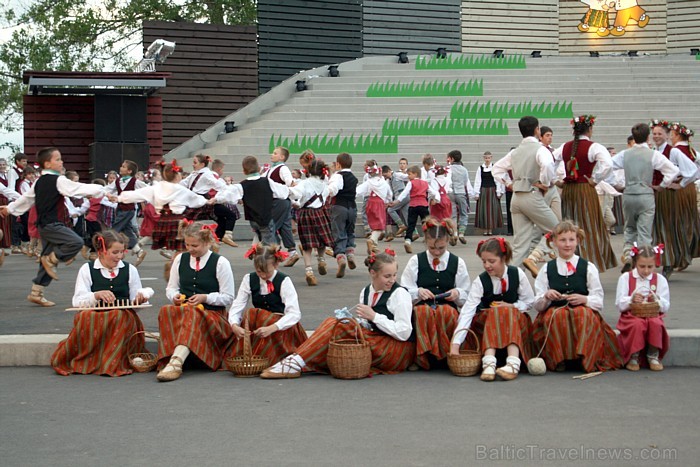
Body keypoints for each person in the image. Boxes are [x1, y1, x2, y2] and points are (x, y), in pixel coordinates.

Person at [260, 250, 415, 378]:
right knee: (336, 325)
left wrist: (375, 316)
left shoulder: (400, 294)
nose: (392, 280)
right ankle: (297, 362)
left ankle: (294, 363)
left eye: (394, 275)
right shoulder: (366, 291)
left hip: (395, 349)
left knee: (338, 328)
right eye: (387, 276)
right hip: (376, 340)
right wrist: (354, 320)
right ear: (373, 273)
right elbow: (368, 324)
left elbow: (404, 333)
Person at [0, 148, 105, 307]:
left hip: (44, 225)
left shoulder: (39, 181)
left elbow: (25, 200)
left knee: (46, 261)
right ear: (47, 163)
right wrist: (102, 190)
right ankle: (52, 259)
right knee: (75, 242)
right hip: (52, 224)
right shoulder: (59, 180)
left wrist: (10, 209)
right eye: (58, 159)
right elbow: (77, 189)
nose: (61, 162)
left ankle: (36, 292)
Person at [51, 230, 154, 376]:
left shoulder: (129, 269)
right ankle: (93, 359)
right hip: (95, 314)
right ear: (101, 251)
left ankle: (111, 361)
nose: (120, 256)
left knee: (118, 315)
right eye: (115, 252)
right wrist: (96, 295)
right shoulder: (87, 269)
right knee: (85, 317)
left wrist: (140, 299)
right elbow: (77, 301)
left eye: (122, 252)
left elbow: (134, 303)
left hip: (122, 316)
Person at [532, 221, 623, 373]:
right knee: (557, 316)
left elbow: (598, 300)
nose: (567, 244)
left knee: (582, 314)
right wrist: (547, 296)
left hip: (582, 308)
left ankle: (584, 357)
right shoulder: (547, 268)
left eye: (571, 240)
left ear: (578, 241)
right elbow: (537, 304)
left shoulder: (588, 267)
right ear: (553, 242)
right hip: (555, 309)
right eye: (562, 240)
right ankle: (559, 359)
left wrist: (585, 299)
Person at [158, 222, 235, 382]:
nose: (190, 249)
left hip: (213, 315)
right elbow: (171, 288)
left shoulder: (220, 263)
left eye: (195, 245)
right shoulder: (180, 259)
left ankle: (176, 362)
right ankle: (174, 356)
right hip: (186, 310)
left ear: (207, 243)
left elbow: (228, 296)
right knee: (166, 310)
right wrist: (175, 297)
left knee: (193, 314)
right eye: (187, 244)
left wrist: (205, 297)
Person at [451, 237, 534, 381]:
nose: (487, 265)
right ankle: (489, 361)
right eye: (484, 261)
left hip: (514, 322)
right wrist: (455, 343)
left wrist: (512, 306)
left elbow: (529, 302)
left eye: (491, 261)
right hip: (487, 324)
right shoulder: (480, 281)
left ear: (503, 258)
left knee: (505, 311)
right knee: (497, 312)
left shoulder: (517, 274)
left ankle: (512, 362)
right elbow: (468, 311)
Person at [112, 160, 207, 277]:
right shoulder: (181, 189)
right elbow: (197, 200)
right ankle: (174, 267)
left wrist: (119, 198)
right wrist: (210, 200)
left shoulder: (155, 188)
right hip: (178, 222)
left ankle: (174, 266)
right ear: (177, 176)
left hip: (163, 221)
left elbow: (136, 194)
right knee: (184, 248)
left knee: (183, 249)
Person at [400, 217, 471, 369]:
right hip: (422, 306)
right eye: (432, 248)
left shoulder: (457, 262)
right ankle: (423, 357)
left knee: (445, 312)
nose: (436, 252)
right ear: (426, 242)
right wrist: (418, 292)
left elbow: (466, 292)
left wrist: (457, 293)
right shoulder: (416, 261)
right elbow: (404, 290)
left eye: (441, 248)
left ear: (447, 242)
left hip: (447, 306)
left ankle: (445, 356)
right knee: (423, 313)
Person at [493, 116, 559, 272]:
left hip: (516, 197)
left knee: (520, 244)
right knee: (559, 231)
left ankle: (510, 281)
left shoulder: (515, 152)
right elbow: (548, 165)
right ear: (537, 130)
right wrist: (545, 182)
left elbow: (496, 169)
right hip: (532, 194)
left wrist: (509, 184)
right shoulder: (540, 149)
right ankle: (535, 255)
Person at [611, 123, 680, 271]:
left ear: (633, 137)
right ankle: (643, 260)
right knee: (644, 231)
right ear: (648, 137)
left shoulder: (625, 154)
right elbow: (673, 171)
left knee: (629, 228)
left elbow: (607, 167)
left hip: (629, 194)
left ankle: (629, 255)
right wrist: (662, 185)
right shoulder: (653, 154)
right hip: (646, 194)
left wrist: (617, 184)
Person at [553, 115, 617, 272]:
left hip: (568, 190)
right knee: (589, 225)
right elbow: (608, 164)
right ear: (590, 129)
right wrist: (595, 179)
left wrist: (555, 180)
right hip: (585, 189)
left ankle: (571, 263)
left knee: (571, 226)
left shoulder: (564, 147)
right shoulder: (594, 147)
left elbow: (549, 162)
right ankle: (590, 263)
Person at [226, 243, 307, 366]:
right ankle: (254, 355)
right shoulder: (249, 278)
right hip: (259, 325)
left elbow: (294, 313)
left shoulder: (284, 281)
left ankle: (271, 356)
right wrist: (234, 325)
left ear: (276, 265)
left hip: (280, 328)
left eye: (266, 272)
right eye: (259, 272)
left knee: (259, 315)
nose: (263, 275)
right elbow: (238, 304)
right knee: (251, 313)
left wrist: (272, 328)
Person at [650, 120, 699, 277]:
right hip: (656, 193)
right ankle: (666, 258)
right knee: (658, 226)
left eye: (660, 134)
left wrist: (681, 184)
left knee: (668, 226)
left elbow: (692, 171)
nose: (657, 136)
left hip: (669, 194)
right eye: (654, 134)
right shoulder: (653, 151)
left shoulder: (674, 152)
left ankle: (669, 261)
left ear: (668, 135)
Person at [615, 244, 669, 372]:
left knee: (655, 323)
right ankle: (634, 355)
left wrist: (656, 300)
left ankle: (653, 355)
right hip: (631, 315)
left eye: (650, 267)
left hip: (653, 314)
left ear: (655, 264)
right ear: (635, 264)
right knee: (637, 324)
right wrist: (631, 300)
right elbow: (619, 304)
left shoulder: (660, 279)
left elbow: (666, 305)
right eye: (642, 266)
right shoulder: (626, 278)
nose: (646, 271)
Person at [288, 158, 335, 286]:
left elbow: (296, 194)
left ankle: (309, 271)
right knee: (321, 239)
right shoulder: (324, 185)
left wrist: (289, 194)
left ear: (308, 170)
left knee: (307, 244)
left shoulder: (304, 183)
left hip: (305, 214)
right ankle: (321, 259)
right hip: (320, 213)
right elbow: (325, 198)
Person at [213, 156, 276, 245]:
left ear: (244, 171)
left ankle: (257, 251)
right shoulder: (267, 181)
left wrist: (215, 199)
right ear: (259, 168)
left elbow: (228, 194)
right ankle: (266, 256)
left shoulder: (241, 185)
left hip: (253, 219)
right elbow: (281, 192)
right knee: (269, 243)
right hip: (266, 218)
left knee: (260, 237)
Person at [181, 154, 237, 247]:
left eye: (195, 163)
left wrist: (217, 198)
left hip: (201, 201)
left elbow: (221, 186)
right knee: (186, 224)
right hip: (193, 200)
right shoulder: (194, 174)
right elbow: (183, 183)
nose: (193, 165)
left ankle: (221, 238)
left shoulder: (206, 175)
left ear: (202, 164)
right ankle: (216, 241)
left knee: (186, 224)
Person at [668, 122, 700, 271]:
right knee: (689, 218)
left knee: (679, 220)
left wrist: (681, 181)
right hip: (690, 188)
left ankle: (682, 255)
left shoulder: (675, 151)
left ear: (677, 135)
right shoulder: (692, 151)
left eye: (672, 134)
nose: (670, 137)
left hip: (680, 188)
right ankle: (686, 251)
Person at [104, 160, 148, 266]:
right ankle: (139, 251)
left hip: (129, 210)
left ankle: (107, 252)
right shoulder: (118, 181)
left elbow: (147, 189)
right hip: (120, 209)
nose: (121, 167)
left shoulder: (135, 182)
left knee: (114, 230)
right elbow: (107, 189)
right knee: (127, 231)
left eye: (123, 167)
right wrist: (104, 193)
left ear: (129, 171)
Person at [391, 165, 440, 254]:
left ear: (415, 174)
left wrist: (397, 201)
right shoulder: (425, 183)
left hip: (413, 205)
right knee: (427, 224)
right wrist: (435, 199)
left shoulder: (411, 183)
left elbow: (404, 193)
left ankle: (408, 240)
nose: (408, 176)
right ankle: (431, 240)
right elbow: (434, 192)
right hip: (423, 206)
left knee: (411, 224)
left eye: (409, 174)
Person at [327, 152, 358, 276]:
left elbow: (333, 190)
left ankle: (341, 257)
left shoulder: (337, 176)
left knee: (338, 232)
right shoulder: (354, 177)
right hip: (352, 207)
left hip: (339, 207)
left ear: (338, 164)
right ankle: (350, 253)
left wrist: (326, 191)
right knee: (350, 231)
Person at [264, 147, 297, 260]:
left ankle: (274, 249)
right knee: (285, 226)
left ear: (282, 157)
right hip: (283, 202)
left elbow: (289, 181)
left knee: (271, 225)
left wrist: (291, 184)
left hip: (279, 201)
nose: (272, 155)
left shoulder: (283, 168)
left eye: (275, 153)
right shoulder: (271, 169)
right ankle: (292, 251)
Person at [357, 163, 392, 255]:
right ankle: (372, 240)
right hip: (379, 204)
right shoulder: (384, 182)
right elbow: (389, 194)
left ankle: (374, 245)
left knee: (373, 225)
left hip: (370, 203)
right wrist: (388, 202)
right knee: (380, 226)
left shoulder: (368, 182)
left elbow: (359, 191)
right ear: (379, 172)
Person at [474, 151, 504, 236]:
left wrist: (499, 191)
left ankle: (490, 229)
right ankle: (485, 230)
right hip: (483, 190)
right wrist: (477, 193)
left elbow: (498, 180)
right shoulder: (480, 168)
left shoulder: (494, 167)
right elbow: (477, 181)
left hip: (492, 190)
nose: (487, 159)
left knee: (492, 210)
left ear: (491, 158)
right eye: (486, 158)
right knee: (484, 210)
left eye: (489, 158)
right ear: (484, 158)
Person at [446, 150, 473, 244]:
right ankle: (461, 232)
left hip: (451, 192)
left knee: (452, 215)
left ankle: (455, 233)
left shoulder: (448, 168)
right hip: (461, 192)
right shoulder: (464, 169)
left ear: (452, 158)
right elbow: (466, 182)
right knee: (463, 213)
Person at [383, 158, 410, 241]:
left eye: (385, 175)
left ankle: (401, 225)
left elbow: (407, 177)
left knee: (390, 210)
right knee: (406, 215)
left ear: (389, 171)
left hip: (402, 195)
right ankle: (414, 233)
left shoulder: (397, 175)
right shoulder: (389, 180)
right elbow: (390, 192)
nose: (385, 177)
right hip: (400, 196)